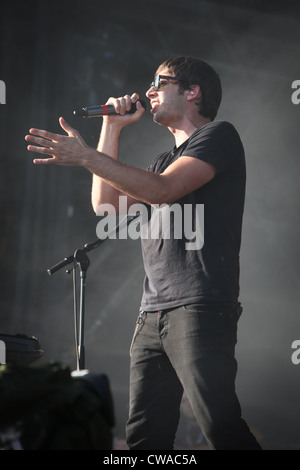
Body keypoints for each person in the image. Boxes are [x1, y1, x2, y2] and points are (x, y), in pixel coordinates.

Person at [25, 56, 262, 450]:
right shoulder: (161, 161)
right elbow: (108, 209)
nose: (149, 91)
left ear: (192, 91)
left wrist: (85, 156)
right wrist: (110, 127)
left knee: (220, 427)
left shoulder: (219, 136)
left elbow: (161, 190)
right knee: (144, 438)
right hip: (152, 313)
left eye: (160, 82)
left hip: (199, 306)